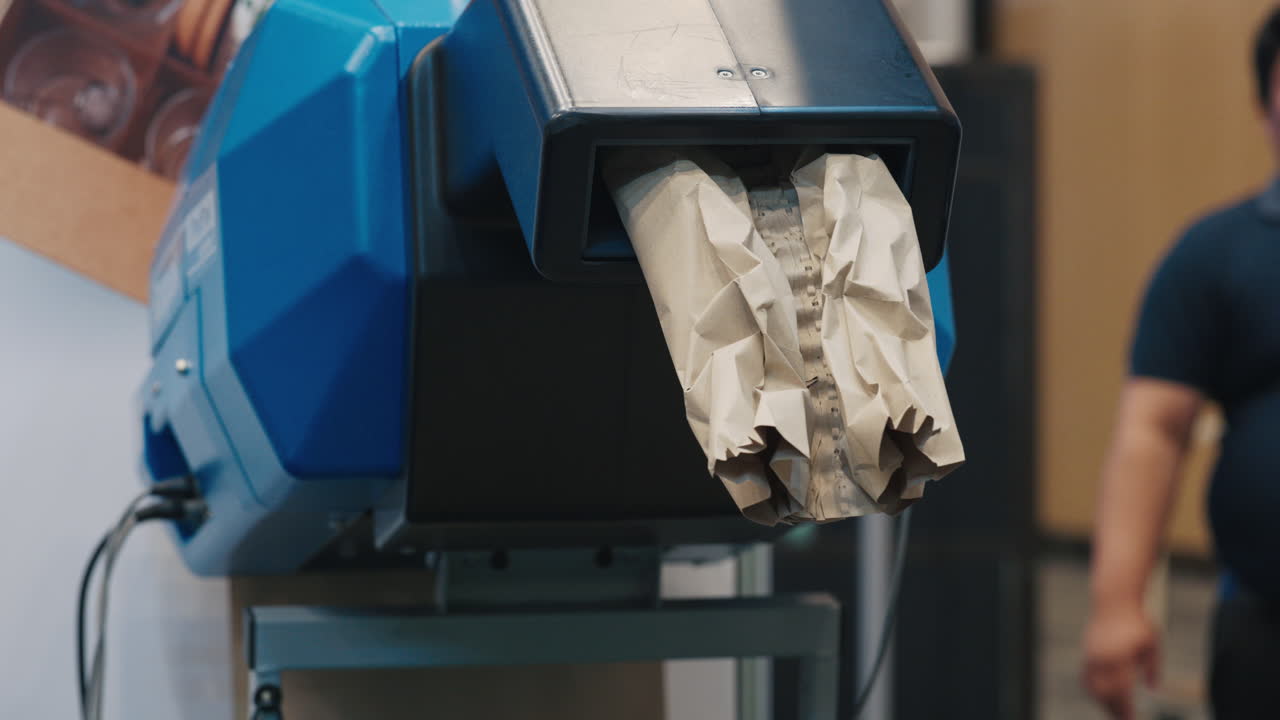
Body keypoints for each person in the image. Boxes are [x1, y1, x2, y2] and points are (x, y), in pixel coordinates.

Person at [1083, 8, 1280, 719]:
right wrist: (1116, 604)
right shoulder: (1214, 257)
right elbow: (1153, 431)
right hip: (1263, 620)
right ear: (1265, 107)